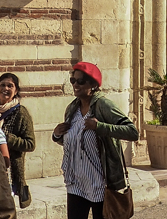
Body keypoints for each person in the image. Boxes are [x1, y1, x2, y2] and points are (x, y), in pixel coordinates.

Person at [52, 61, 139, 219]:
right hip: (75, 181)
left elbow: (132, 132)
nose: (75, 85)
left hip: (99, 183)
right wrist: (57, 135)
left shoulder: (103, 105)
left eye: (81, 81)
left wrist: (100, 127)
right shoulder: (72, 109)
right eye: (73, 80)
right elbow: (74, 142)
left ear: (93, 85)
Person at [0, 72, 36, 209]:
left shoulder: (21, 113)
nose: (5, 89)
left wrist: (6, 138)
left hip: (9, 171)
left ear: (16, 90)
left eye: (10, 86)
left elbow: (30, 144)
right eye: (2, 85)